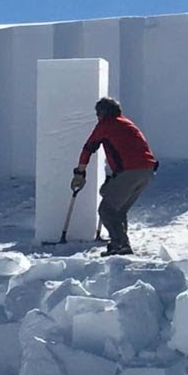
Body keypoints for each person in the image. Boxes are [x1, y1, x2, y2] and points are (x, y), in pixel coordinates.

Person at [71, 97, 157, 256]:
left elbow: (89, 148)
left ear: (102, 113)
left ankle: (121, 246)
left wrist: (80, 172)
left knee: (107, 210)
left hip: (131, 171)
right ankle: (119, 243)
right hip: (147, 170)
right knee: (119, 210)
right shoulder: (126, 123)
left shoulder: (105, 125)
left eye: (98, 113)